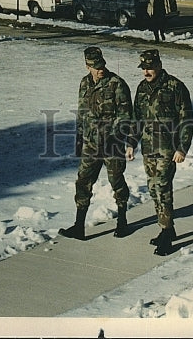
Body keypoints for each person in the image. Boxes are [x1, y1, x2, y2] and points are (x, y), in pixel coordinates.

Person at [59, 46, 133, 241]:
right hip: (90, 144)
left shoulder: (117, 84)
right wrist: (79, 138)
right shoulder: (84, 83)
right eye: (95, 66)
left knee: (116, 181)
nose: (100, 69)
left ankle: (122, 222)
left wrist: (111, 135)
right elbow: (82, 113)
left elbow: (126, 116)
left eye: (102, 65)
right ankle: (78, 226)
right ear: (87, 67)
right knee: (83, 182)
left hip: (112, 145)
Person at [126, 48, 193, 256]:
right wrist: (131, 143)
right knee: (153, 189)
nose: (146, 72)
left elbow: (186, 119)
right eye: (143, 68)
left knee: (163, 189)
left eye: (150, 68)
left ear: (159, 65)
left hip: (167, 148)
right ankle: (167, 228)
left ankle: (166, 234)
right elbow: (137, 118)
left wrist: (182, 147)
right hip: (148, 148)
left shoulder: (175, 86)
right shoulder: (142, 88)